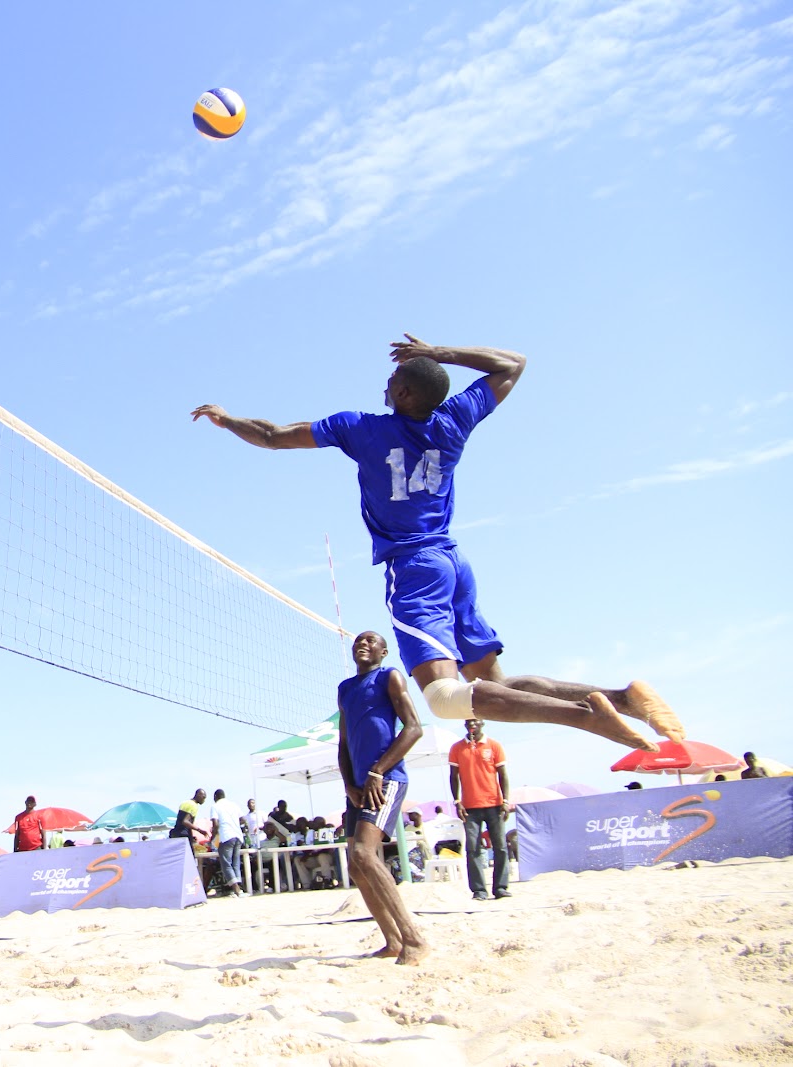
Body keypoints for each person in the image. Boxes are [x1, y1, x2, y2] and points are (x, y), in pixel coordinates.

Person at [192, 336, 686, 751]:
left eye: (393, 381)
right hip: (452, 562)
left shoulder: (360, 427)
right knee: (494, 686)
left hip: (414, 567)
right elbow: (513, 364)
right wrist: (437, 351)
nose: (385, 385)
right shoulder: (453, 420)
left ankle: (586, 717)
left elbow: (274, 436)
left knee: (447, 699)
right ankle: (622, 698)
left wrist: (226, 419)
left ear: (404, 393)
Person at [334, 630, 429, 963]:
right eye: (359, 639)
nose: (363, 643)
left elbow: (414, 727)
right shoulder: (345, 689)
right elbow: (344, 744)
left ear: (383, 651)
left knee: (364, 853)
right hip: (358, 786)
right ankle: (393, 941)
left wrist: (378, 770)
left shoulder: (389, 677)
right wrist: (349, 783)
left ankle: (414, 939)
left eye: (371, 640)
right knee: (357, 867)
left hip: (386, 778)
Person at [450, 719, 513, 902]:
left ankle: (500, 888)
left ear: (482, 723)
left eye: (476, 721)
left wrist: (505, 801)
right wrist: (457, 801)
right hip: (470, 807)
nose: (472, 724)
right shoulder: (457, 748)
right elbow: (453, 777)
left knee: (500, 847)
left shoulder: (494, 745)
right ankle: (479, 890)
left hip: (494, 804)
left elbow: (503, 775)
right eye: (469, 721)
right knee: (473, 848)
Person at [209, 789, 248, 896]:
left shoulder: (215, 806)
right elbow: (243, 819)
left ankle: (236, 890)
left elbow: (215, 824)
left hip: (226, 836)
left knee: (226, 863)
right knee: (235, 863)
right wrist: (234, 822)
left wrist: (212, 837)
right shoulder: (233, 805)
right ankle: (239, 888)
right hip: (238, 836)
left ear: (215, 797)